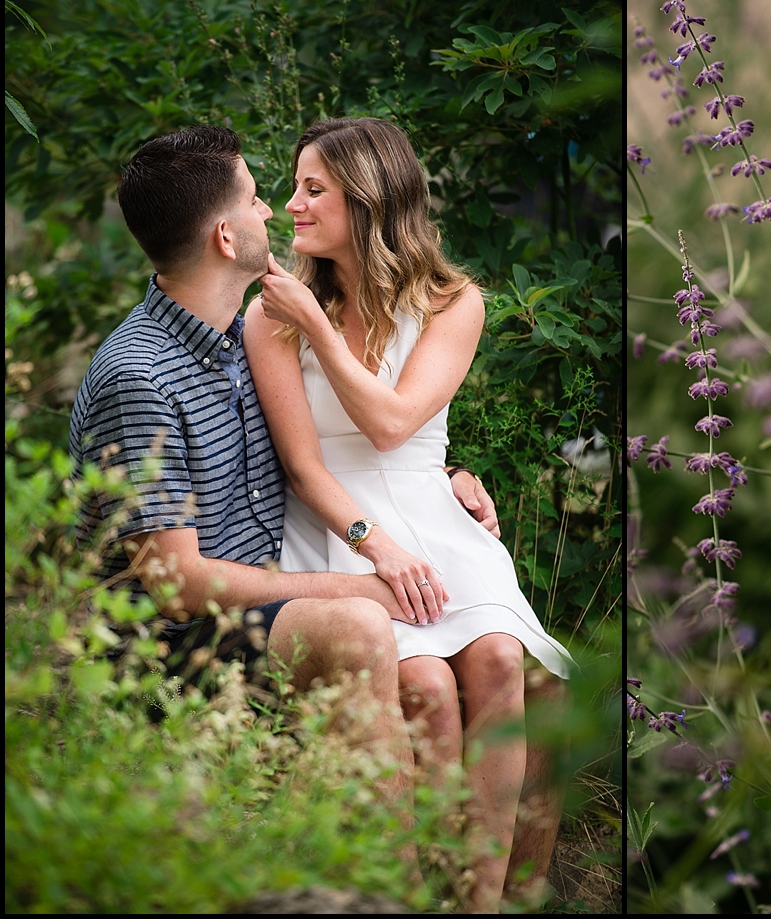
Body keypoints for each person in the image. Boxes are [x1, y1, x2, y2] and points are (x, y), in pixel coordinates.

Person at [66, 125, 533, 895]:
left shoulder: (224, 342)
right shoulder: (140, 374)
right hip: (171, 639)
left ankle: (459, 896)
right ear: (226, 235)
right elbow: (173, 585)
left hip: (259, 594)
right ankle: (396, 896)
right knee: (360, 626)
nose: (276, 210)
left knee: (491, 666)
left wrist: (448, 474)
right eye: (257, 198)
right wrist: (360, 583)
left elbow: (336, 442)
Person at [244, 116, 574, 914]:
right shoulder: (270, 317)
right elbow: (305, 463)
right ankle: (416, 888)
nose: (292, 205)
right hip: (337, 518)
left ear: (367, 200)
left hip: (434, 508)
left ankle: (483, 902)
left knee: (500, 661)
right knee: (424, 683)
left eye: (311, 189)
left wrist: (321, 328)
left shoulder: (454, 302)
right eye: (291, 187)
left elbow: (395, 426)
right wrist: (374, 545)